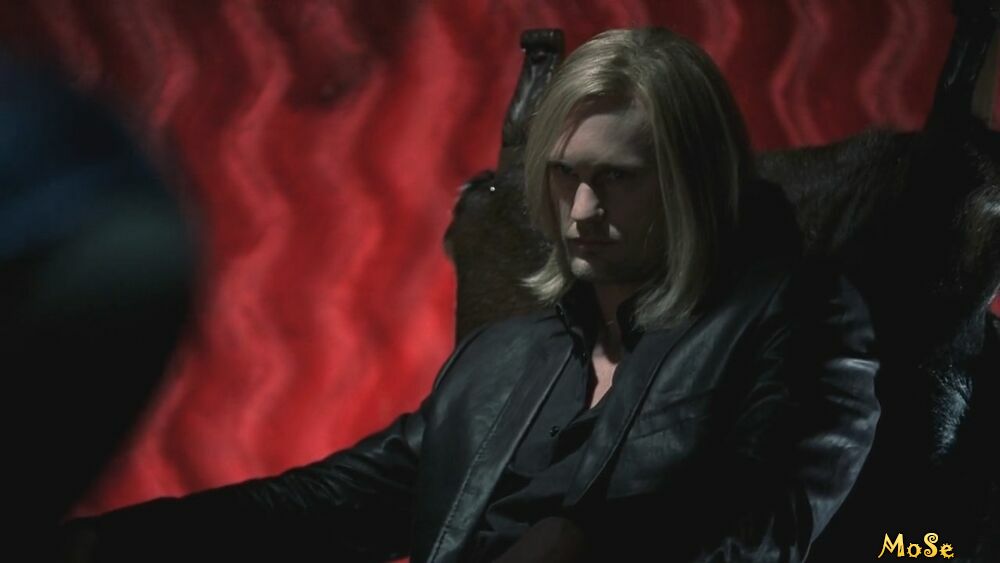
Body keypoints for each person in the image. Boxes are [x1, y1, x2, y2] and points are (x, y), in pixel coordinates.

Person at [64, 27, 879, 563]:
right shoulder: (504, 357)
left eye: (618, 179)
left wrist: (584, 544)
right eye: (565, 175)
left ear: (691, 184)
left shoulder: (795, 312)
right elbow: (331, 501)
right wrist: (105, 543)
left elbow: (768, 526)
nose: (582, 210)